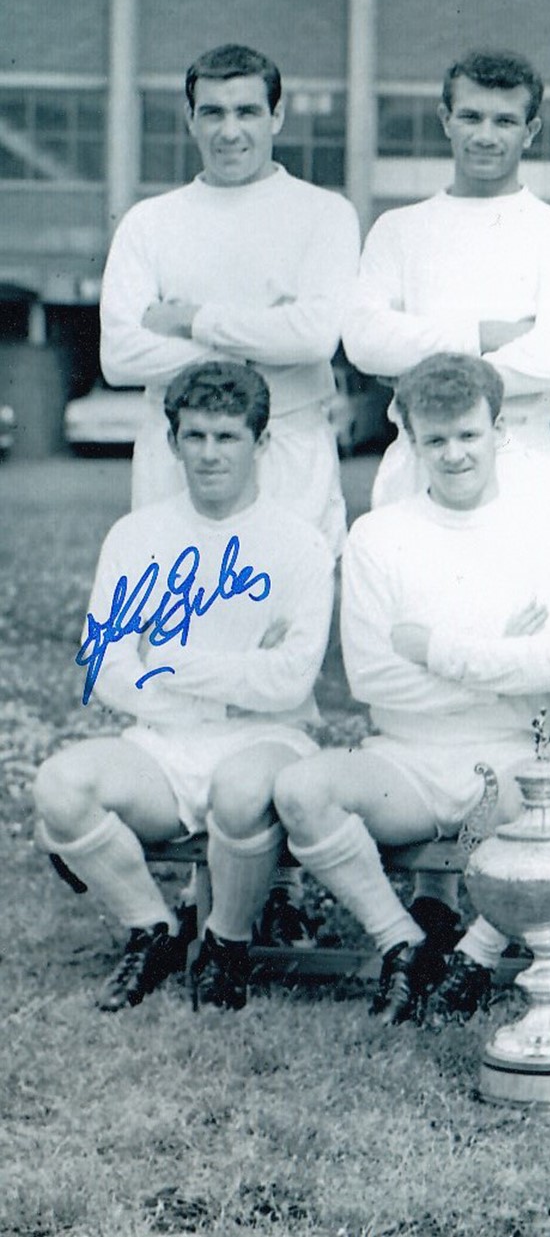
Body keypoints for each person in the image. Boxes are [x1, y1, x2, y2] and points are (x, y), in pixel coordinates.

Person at [273, 354, 550, 1023]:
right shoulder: (379, 535)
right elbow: (372, 677)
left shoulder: (544, 526)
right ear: (410, 441)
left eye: (469, 435)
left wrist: (434, 648)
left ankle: (473, 957)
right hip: (406, 758)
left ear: (498, 428)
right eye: (435, 440)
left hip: (506, 756)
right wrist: (500, 658)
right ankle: (402, 943)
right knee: (303, 790)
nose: (453, 453)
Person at [34, 361, 332, 1012]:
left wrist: (167, 659)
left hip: (266, 739)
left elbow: (289, 682)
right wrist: (231, 675)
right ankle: (155, 929)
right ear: (172, 442)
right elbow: (105, 666)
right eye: (194, 436)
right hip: (162, 741)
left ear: (260, 442)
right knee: (59, 786)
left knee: (239, 787)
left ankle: (225, 942)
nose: (209, 453)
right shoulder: (138, 536)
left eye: (227, 437)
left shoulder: (299, 545)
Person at [100, 44, 360, 553]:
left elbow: (315, 336)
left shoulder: (325, 214)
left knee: (288, 614)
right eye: (213, 113)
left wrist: (190, 319)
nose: (230, 131)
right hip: (176, 451)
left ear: (277, 116)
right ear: (190, 118)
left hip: (289, 444)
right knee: (177, 619)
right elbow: (120, 357)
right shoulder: (149, 222)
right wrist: (264, 341)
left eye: (248, 112)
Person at [344, 48, 550, 533]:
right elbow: (364, 341)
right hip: (416, 456)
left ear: (531, 131)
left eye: (504, 121)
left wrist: (421, 366)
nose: (485, 135)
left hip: (523, 456)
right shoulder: (398, 229)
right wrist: (487, 333)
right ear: (445, 120)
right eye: (470, 117)